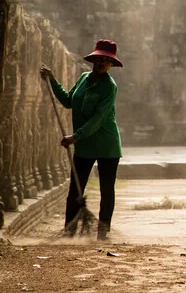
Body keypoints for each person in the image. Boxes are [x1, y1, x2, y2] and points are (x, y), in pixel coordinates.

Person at [39, 38, 123, 240]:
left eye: (106, 60)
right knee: (75, 189)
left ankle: (103, 229)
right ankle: (69, 229)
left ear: (111, 64)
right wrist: (52, 81)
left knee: (106, 189)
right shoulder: (84, 78)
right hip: (84, 144)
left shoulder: (109, 87)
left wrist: (75, 136)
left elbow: (98, 119)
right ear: (93, 60)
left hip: (106, 144)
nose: (101, 63)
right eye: (98, 59)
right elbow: (69, 101)